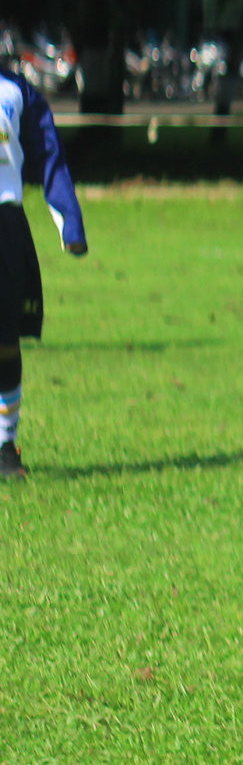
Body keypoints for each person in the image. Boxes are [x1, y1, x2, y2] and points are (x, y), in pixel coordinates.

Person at [0, 66, 89, 480]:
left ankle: (5, 445)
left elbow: (48, 156)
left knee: (4, 341)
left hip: (5, 225)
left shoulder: (17, 91)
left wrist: (71, 223)